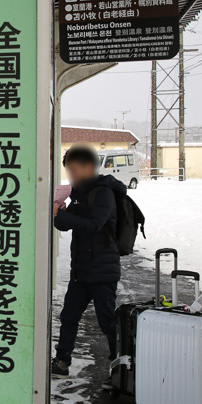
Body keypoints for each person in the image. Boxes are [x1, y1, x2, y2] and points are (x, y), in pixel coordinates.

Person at [51, 144, 127, 379]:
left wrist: (63, 215)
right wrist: (59, 212)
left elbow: (95, 224)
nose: (71, 176)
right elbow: (66, 224)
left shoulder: (103, 192)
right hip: (82, 269)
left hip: (103, 270)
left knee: (107, 321)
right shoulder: (79, 192)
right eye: (69, 171)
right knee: (69, 316)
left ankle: (120, 369)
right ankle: (62, 362)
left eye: (74, 170)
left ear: (89, 167)